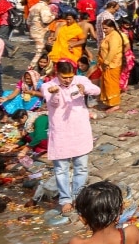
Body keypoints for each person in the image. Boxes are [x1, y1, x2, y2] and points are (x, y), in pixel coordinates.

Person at [42, 59, 100, 214]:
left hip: (79, 129)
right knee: (61, 169)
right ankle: (65, 199)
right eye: (64, 77)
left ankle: (78, 196)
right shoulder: (48, 86)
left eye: (70, 77)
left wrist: (84, 88)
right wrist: (55, 94)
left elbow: (97, 90)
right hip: (60, 131)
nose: (68, 80)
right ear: (57, 74)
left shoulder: (80, 80)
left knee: (81, 166)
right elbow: (52, 103)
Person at [97, 18, 127, 111]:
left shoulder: (114, 36)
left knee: (112, 84)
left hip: (112, 64)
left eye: (106, 28)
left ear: (112, 27)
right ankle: (109, 103)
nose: (104, 30)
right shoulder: (109, 35)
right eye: (103, 29)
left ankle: (115, 104)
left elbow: (113, 51)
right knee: (107, 83)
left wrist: (106, 62)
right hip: (106, 64)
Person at [26, 0, 55, 69]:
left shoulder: (34, 7)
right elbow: (46, 20)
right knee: (40, 50)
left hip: (34, 30)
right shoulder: (44, 7)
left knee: (45, 49)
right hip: (41, 31)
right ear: (48, 0)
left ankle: (47, 65)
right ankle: (31, 67)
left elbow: (28, 21)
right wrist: (53, 16)